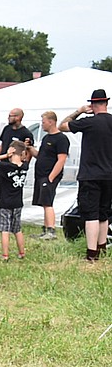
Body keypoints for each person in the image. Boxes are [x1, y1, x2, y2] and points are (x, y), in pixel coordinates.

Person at [60, 88, 112, 262]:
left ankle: (91, 254)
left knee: (91, 215)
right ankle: (102, 249)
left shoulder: (89, 122)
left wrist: (79, 111)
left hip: (90, 174)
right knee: (104, 214)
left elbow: (62, 126)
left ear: (92, 104)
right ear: (106, 103)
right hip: (109, 175)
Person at [27, 111, 70, 239]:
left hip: (49, 175)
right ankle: (45, 229)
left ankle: (51, 231)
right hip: (40, 174)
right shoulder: (46, 138)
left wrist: (51, 177)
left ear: (51, 122)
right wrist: (30, 148)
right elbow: (40, 155)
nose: (42, 125)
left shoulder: (61, 139)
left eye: (44, 122)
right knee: (43, 202)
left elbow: (61, 159)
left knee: (47, 202)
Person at [0, 140, 29, 261]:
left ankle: (5, 255)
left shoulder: (5, 167)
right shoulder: (25, 166)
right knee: (17, 229)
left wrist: (5, 155)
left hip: (5, 202)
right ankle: (22, 253)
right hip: (18, 202)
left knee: (5, 229)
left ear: (11, 152)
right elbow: (25, 159)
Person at [0, 107, 34, 173]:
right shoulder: (7, 129)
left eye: (10, 116)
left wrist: (24, 166)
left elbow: (29, 151)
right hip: (3, 163)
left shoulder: (26, 133)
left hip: (14, 166)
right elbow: (2, 145)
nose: (8, 118)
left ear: (18, 117)